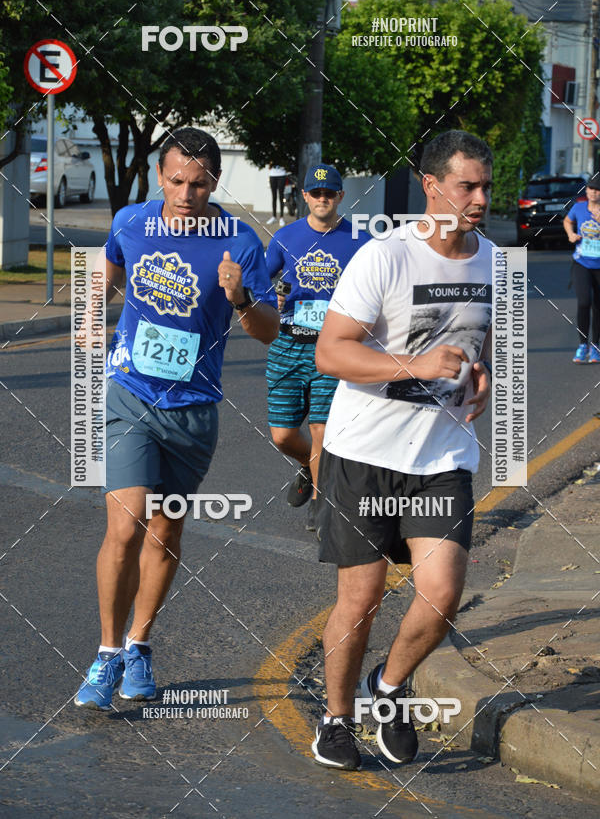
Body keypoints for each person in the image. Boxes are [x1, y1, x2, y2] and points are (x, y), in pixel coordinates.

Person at [75, 127, 278, 710]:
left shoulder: (239, 242)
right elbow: (107, 271)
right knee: (126, 523)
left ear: (215, 181)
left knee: (165, 530)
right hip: (129, 395)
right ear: (160, 177)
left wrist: (240, 299)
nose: (186, 194)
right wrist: (93, 311)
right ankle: (108, 652)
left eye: (199, 183)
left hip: (193, 410)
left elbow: (267, 331)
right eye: (176, 181)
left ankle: (140, 643)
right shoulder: (131, 222)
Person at [311, 130, 494, 770]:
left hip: (442, 457)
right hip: (364, 453)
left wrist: (484, 376)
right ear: (432, 186)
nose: (478, 198)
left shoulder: (493, 259)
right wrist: (412, 362)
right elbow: (330, 351)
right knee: (358, 602)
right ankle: (335, 722)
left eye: (485, 187)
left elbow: (482, 343)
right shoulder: (383, 257)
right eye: (466, 186)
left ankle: (386, 688)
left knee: (441, 593)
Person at [265, 164, 370, 531]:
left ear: (340, 196)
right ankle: (308, 469)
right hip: (288, 344)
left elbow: (378, 285)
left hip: (333, 348)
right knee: (283, 434)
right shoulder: (286, 237)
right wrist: (270, 300)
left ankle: (320, 505)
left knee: (323, 428)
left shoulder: (361, 239)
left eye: (330, 193)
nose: (323, 199)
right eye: (316, 193)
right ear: (304, 196)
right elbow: (262, 281)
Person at [563, 176, 600, 363]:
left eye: (597, 189)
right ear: (586, 191)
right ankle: (582, 344)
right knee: (584, 301)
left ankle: (596, 347)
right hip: (582, 263)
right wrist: (571, 234)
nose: (593, 192)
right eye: (591, 188)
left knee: (598, 306)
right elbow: (567, 221)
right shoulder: (578, 208)